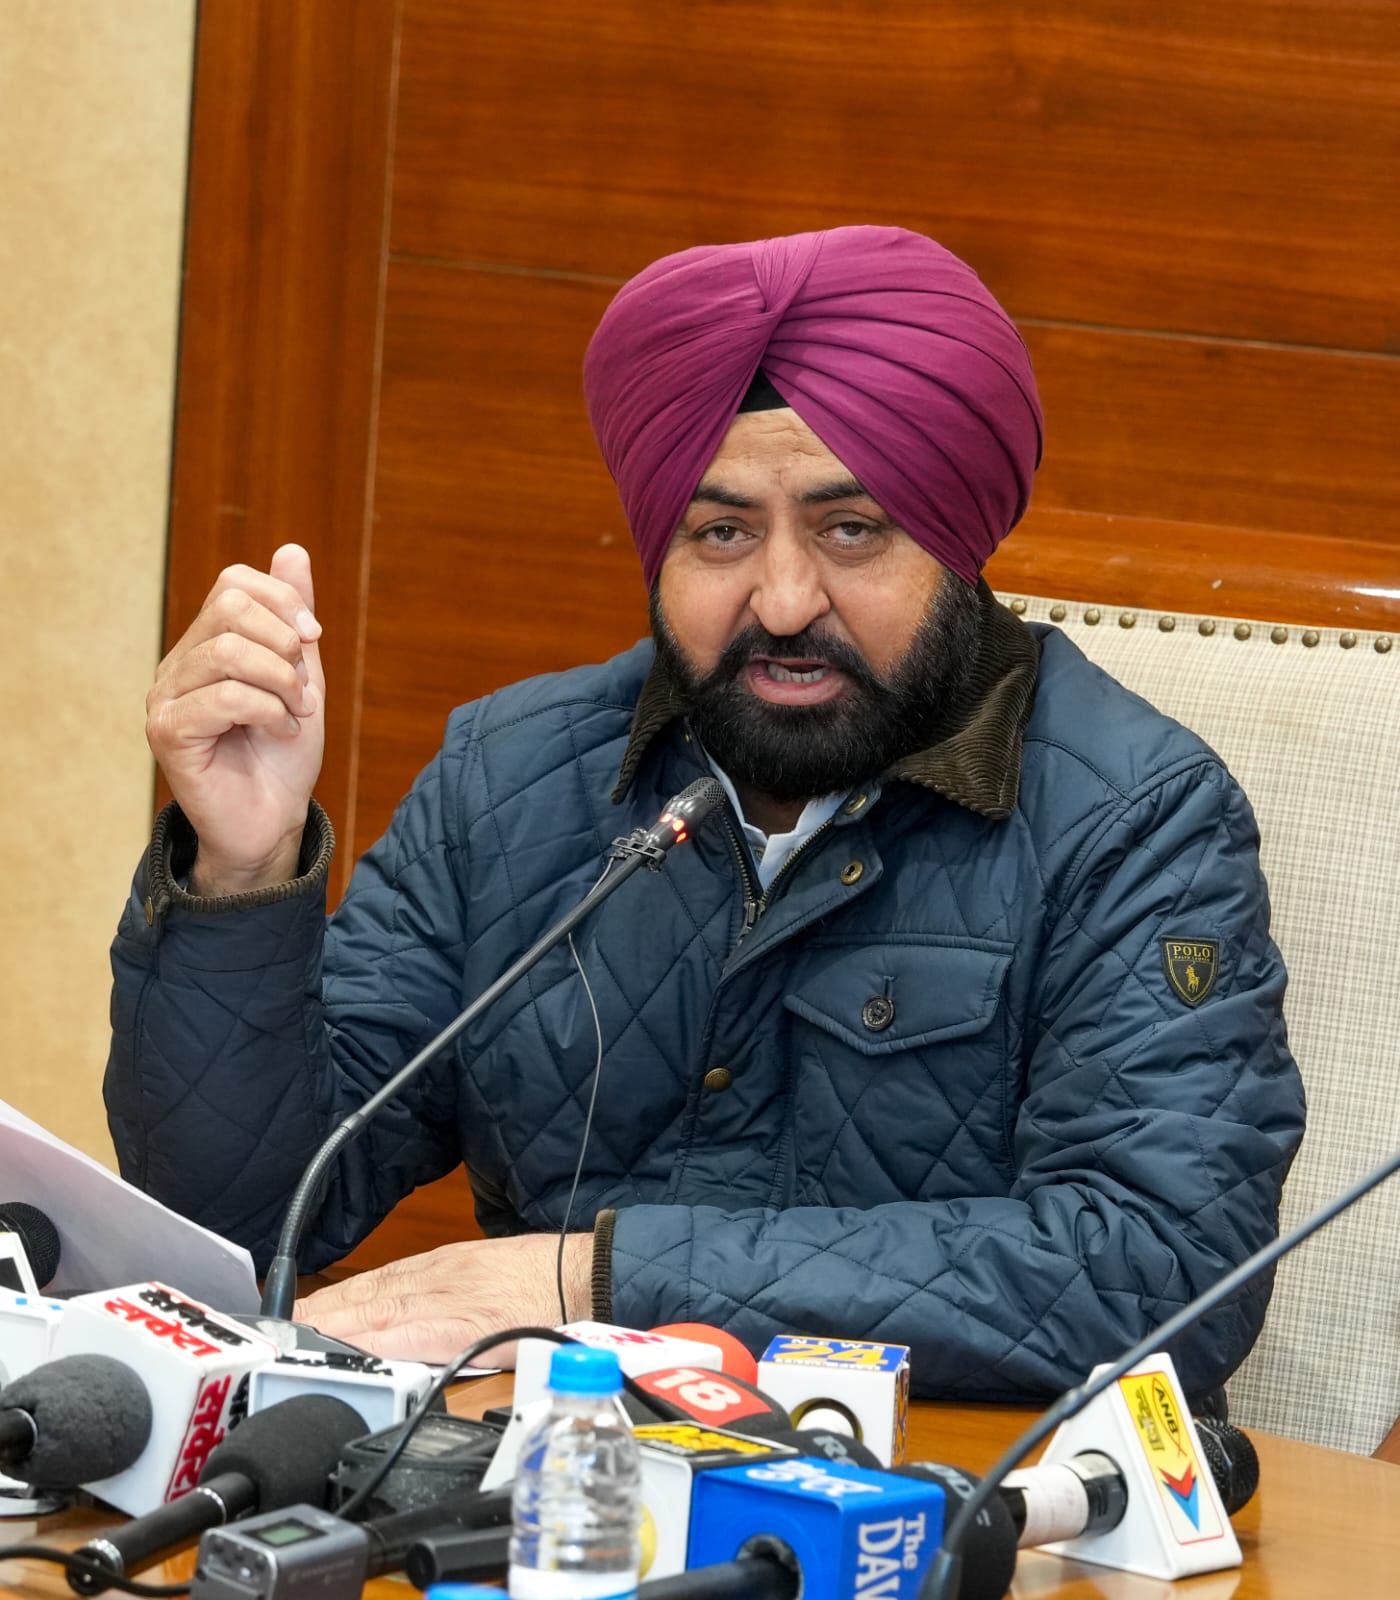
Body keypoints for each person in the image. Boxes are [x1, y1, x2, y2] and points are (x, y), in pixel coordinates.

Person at [107, 225, 1304, 1401]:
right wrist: (240, 871)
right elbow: (243, 1218)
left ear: (955, 540)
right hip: (548, 1478)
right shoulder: (509, 777)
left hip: (934, 1492)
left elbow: (1155, 1271)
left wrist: (599, 1280)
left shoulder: (1138, 823)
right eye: (721, 533)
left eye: (849, 530)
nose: (780, 600)